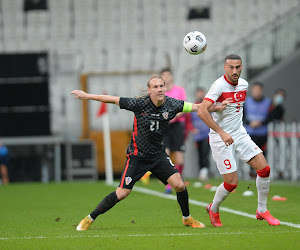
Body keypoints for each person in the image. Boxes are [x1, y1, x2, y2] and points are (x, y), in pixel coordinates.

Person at [72, 75, 230, 231]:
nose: (159, 89)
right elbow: (112, 99)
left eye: (161, 86)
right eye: (155, 87)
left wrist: (215, 107)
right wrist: (86, 96)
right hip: (137, 156)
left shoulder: (172, 104)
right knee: (122, 193)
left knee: (180, 185)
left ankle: (187, 219)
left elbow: (196, 107)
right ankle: (90, 218)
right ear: (149, 90)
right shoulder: (139, 103)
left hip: (158, 155)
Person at [198, 54, 280, 227]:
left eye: (238, 67)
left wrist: (218, 107)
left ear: (241, 67)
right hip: (221, 138)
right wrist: (221, 132)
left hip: (240, 134)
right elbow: (202, 111)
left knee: (264, 169)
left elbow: (223, 108)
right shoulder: (219, 85)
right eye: (231, 67)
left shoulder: (244, 84)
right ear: (225, 68)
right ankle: (214, 208)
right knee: (232, 182)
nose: (235, 71)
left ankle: (262, 210)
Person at [160, 68, 187, 193]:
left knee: (180, 160)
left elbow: (184, 108)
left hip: (177, 126)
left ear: (172, 77)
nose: (166, 77)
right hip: (164, 127)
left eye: (168, 75)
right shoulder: (160, 93)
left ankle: (179, 178)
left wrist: (174, 116)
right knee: (166, 155)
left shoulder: (179, 91)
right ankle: (170, 184)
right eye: (163, 75)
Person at [243, 82, 272, 177]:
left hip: (262, 133)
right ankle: (253, 172)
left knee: (262, 154)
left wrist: (261, 123)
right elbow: (242, 116)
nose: (257, 92)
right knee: (251, 154)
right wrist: (249, 122)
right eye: (255, 90)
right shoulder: (246, 102)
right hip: (249, 133)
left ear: (261, 90)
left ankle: (262, 172)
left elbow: (271, 116)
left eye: (258, 90)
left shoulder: (268, 102)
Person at [189, 87, 211, 181]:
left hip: (207, 134)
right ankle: (202, 172)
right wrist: (192, 129)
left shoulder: (209, 106)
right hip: (197, 136)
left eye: (202, 93)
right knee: (200, 155)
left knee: (205, 153)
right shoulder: (193, 106)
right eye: (198, 93)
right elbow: (188, 121)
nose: (200, 95)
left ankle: (205, 171)